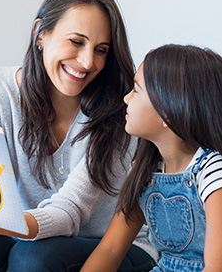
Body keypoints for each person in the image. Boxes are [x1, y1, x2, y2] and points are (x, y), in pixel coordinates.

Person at [0, 0, 157, 272]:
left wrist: (1, 224)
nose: (88, 61)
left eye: (101, 50)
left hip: (111, 245)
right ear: (40, 33)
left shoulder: (121, 108)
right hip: (29, 233)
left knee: (33, 259)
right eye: (76, 42)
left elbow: (71, 210)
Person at [80, 44, 222, 272]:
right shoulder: (146, 172)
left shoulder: (212, 171)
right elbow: (111, 249)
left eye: (136, 89)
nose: (126, 98)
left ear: (168, 109)